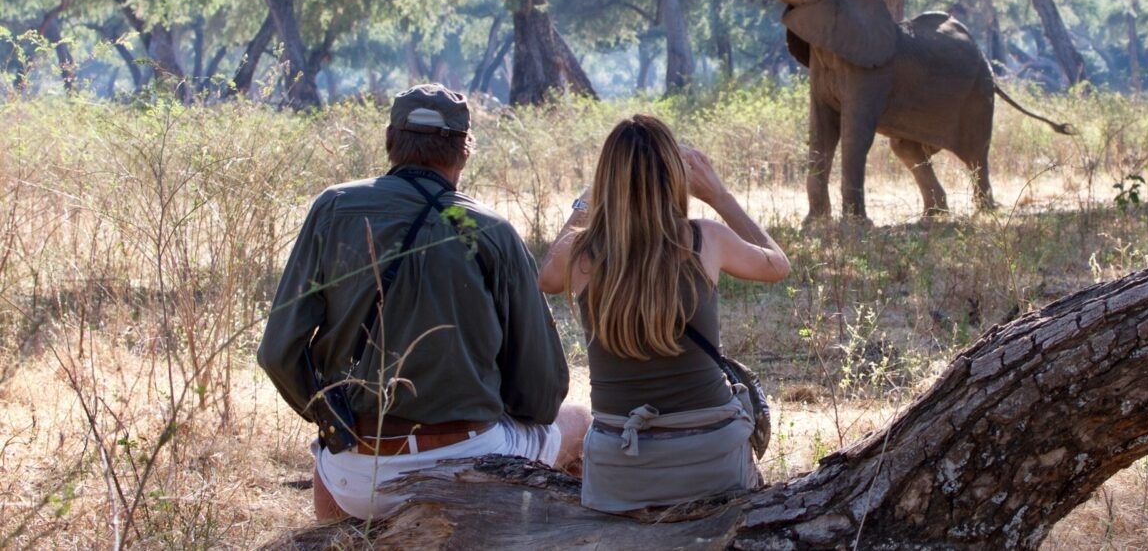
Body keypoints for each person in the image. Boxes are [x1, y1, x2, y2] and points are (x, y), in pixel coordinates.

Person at [258, 84, 588, 520]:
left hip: (358, 477)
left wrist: (334, 421)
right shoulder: (492, 231)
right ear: (464, 151)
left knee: (326, 459)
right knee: (580, 421)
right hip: (473, 464)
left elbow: (277, 354)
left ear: (390, 141)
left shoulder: (333, 207)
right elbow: (542, 396)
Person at [538, 114, 790, 512]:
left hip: (620, 467)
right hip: (713, 462)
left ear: (607, 179)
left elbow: (546, 278)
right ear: (675, 176)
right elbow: (778, 265)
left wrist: (589, 199)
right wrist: (720, 196)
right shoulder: (705, 238)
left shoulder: (581, 251)